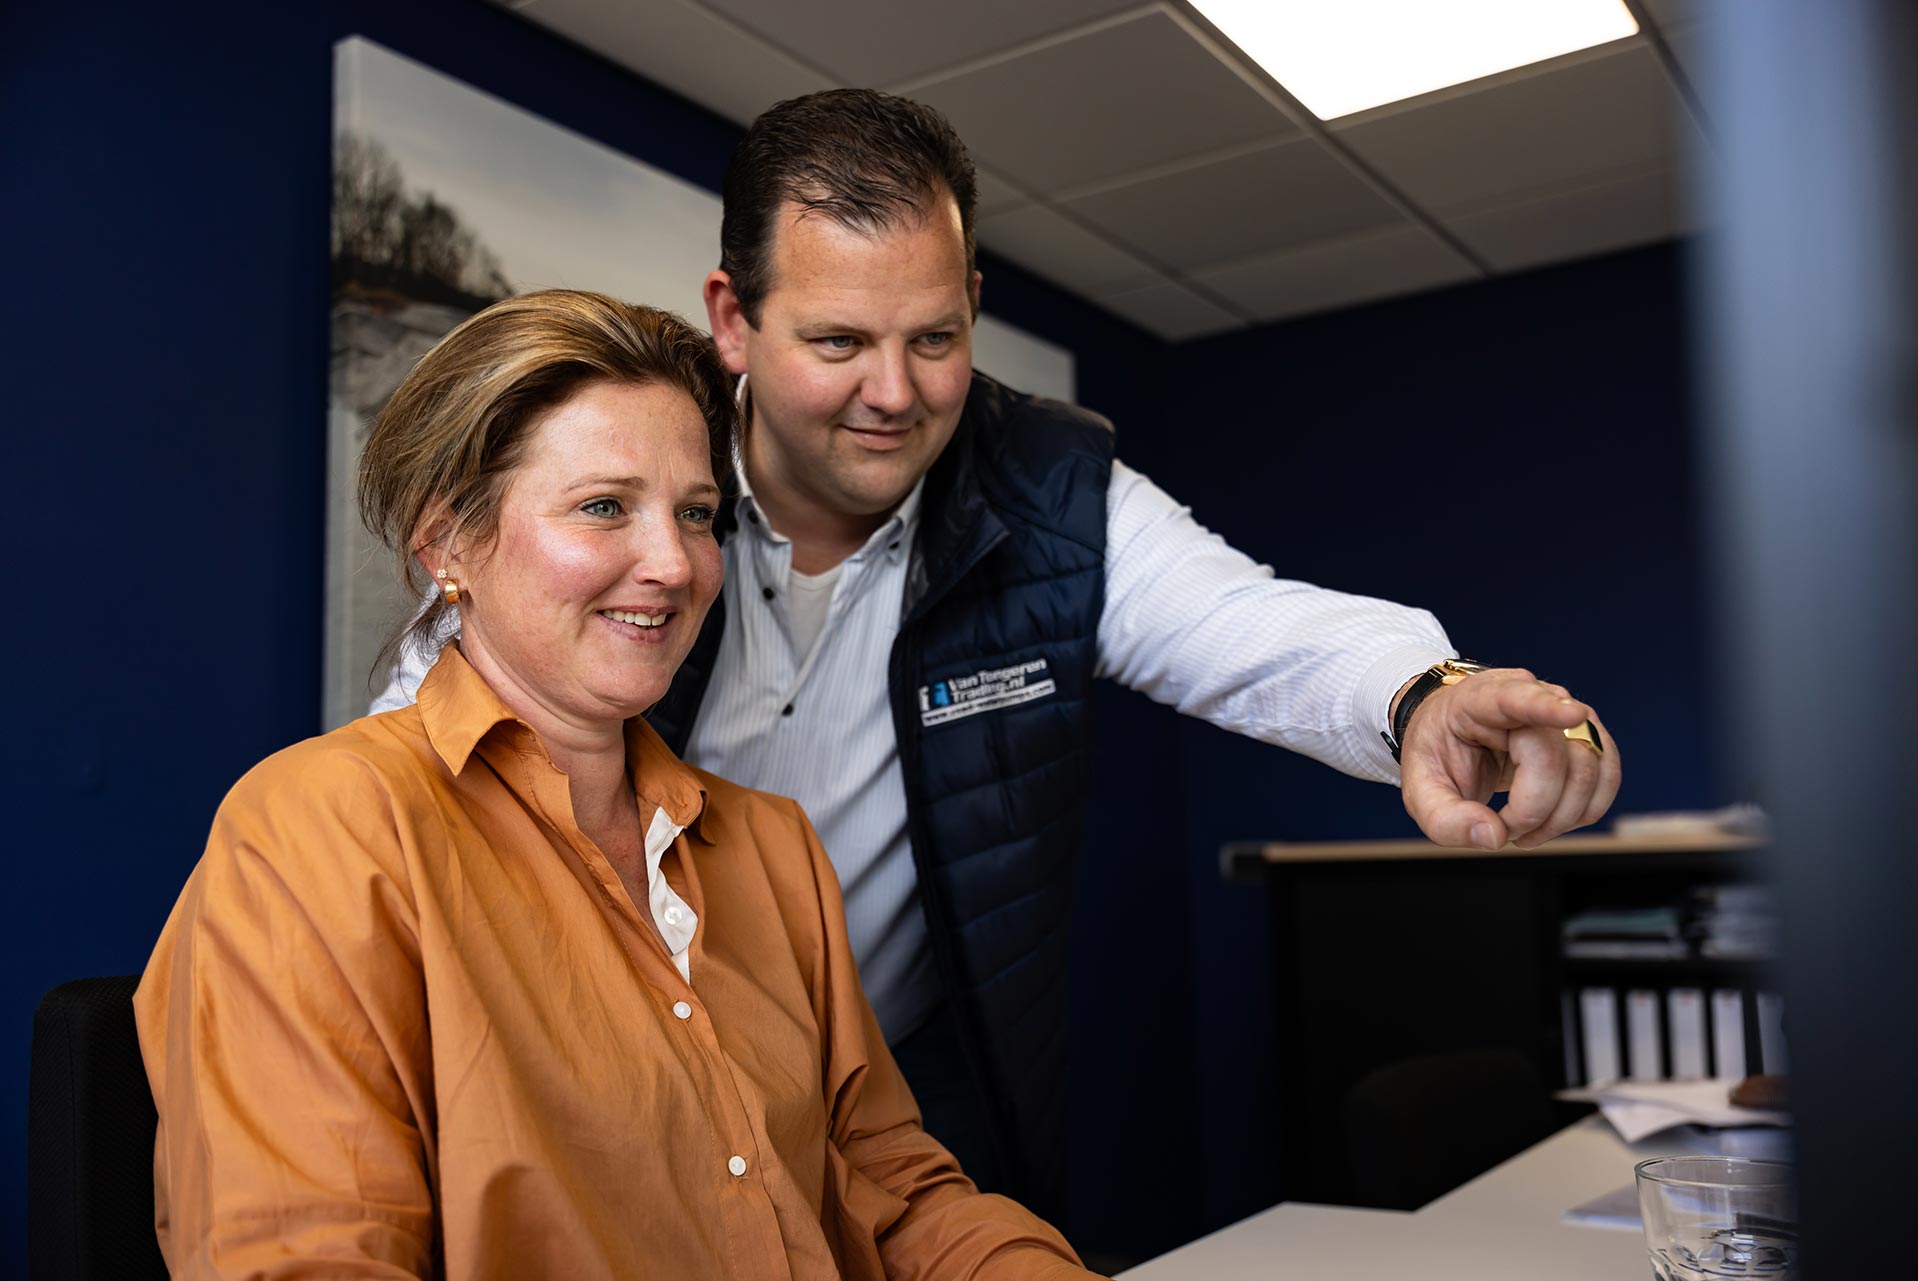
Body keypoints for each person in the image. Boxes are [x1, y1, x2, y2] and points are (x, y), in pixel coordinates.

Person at [376, 90, 1622, 1216]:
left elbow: (1249, 624)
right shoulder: (632, 480)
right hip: (599, 1089)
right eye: (838, 343)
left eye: (933, 338)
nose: (894, 393)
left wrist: (1425, 696)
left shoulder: (1049, 492)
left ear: (974, 304)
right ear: (734, 321)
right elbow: (409, 774)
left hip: (908, 1098)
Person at [136, 290, 1099, 1280]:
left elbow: (891, 1197)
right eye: (605, 507)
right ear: (449, 546)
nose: (673, 565)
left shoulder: (773, 849)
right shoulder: (316, 833)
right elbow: (309, 1258)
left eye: (695, 515)